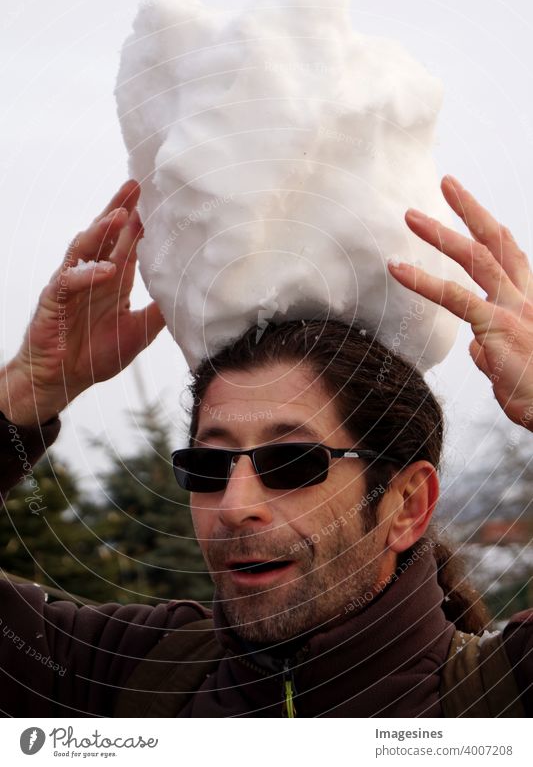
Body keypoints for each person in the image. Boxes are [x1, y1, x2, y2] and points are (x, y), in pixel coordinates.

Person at [0, 175, 532, 717]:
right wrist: (27, 389)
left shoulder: (502, 699)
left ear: (407, 505)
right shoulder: (125, 675)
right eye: (209, 467)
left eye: (292, 462)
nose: (235, 507)